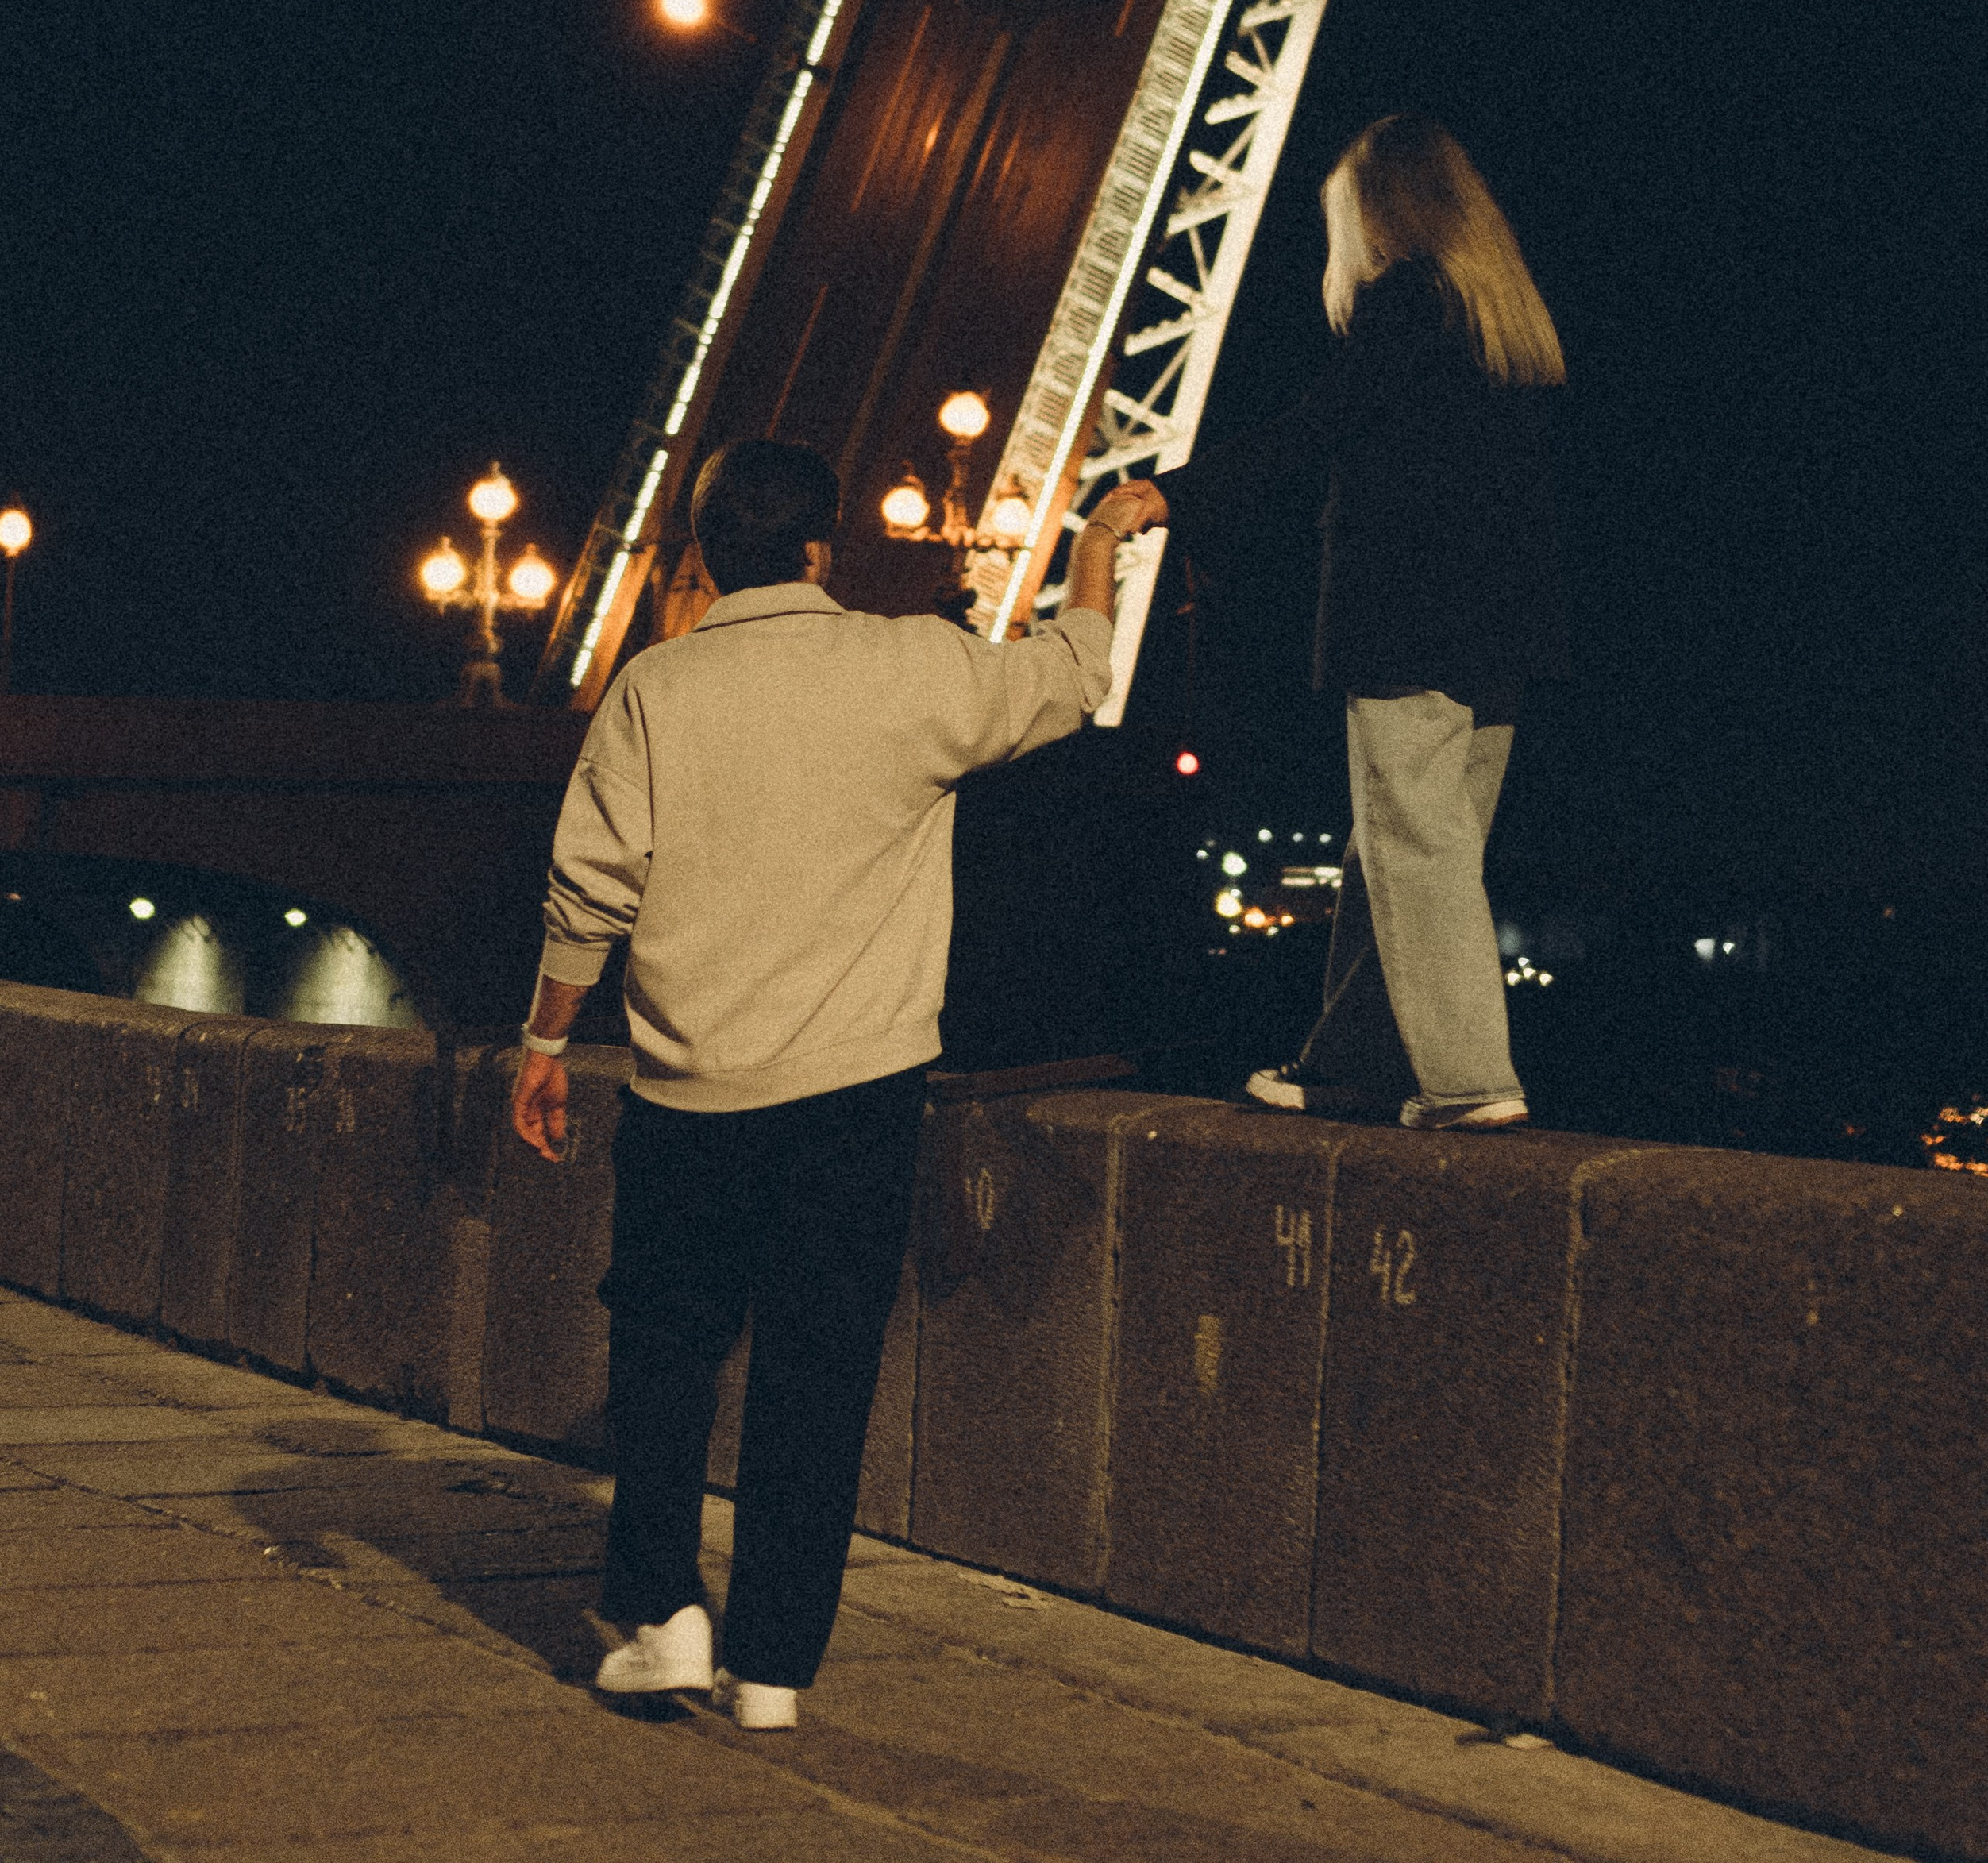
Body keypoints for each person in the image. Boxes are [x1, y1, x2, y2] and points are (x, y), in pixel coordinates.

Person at [510, 438, 1167, 1730]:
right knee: (818, 1371)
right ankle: (771, 1666)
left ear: (705, 559)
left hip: (689, 1090)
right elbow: (1074, 674)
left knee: (665, 1355)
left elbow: (589, 886)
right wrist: (1094, 547)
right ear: (822, 550)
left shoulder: (656, 687)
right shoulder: (913, 665)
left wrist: (545, 1043)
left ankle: (663, 1614)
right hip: (859, 1095)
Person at [1154, 114, 1567, 1130]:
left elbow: (1314, 425)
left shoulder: (1407, 300)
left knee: (1415, 849)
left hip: (1408, 619)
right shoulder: (1498, 318)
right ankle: (1349, 1066)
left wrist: (1173, 495)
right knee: (1390, 849)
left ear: (1382, 212)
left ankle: (1470, 1081)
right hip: (1500, 632)